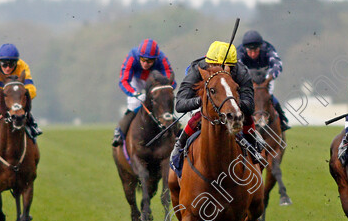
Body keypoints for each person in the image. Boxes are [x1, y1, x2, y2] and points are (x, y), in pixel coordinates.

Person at [170, 40, 263, 172]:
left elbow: (249, 106)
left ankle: (253, 145)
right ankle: (179, 146)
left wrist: (231, 101)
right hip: (205, 106)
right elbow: (180, 104)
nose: (220, 69)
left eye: (227, 66)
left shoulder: (241, 71)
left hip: (231, 106)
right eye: (215, 65)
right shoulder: (198, 69)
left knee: (245, 116)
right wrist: (202, 100)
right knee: (198, 116)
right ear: (209, 63)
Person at [112, 39, 175, 147]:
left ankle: (175, 131)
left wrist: (164, 91)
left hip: (154, 81)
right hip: (136, 80)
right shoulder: (132, 56)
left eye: (150, 61)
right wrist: (135, 94)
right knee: (134, 104)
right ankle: (119, 131)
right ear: (139, 56)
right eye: (143, 60)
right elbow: (123, 81)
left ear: (156, 59)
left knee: (164, 102)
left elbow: (170, 81)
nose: (145, 64)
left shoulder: (162, 58)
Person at [236, 30, 289, 130]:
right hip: (248, 77)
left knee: (268, 96)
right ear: (245, 49)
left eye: (255, 51)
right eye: (250, 51)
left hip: (265, 78)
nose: (252, 54)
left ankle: (282, 120)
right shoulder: (239, 51)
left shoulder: (268, 48)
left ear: (260, 48)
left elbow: (278, 65)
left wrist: (270, 78)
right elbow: (238, 68)